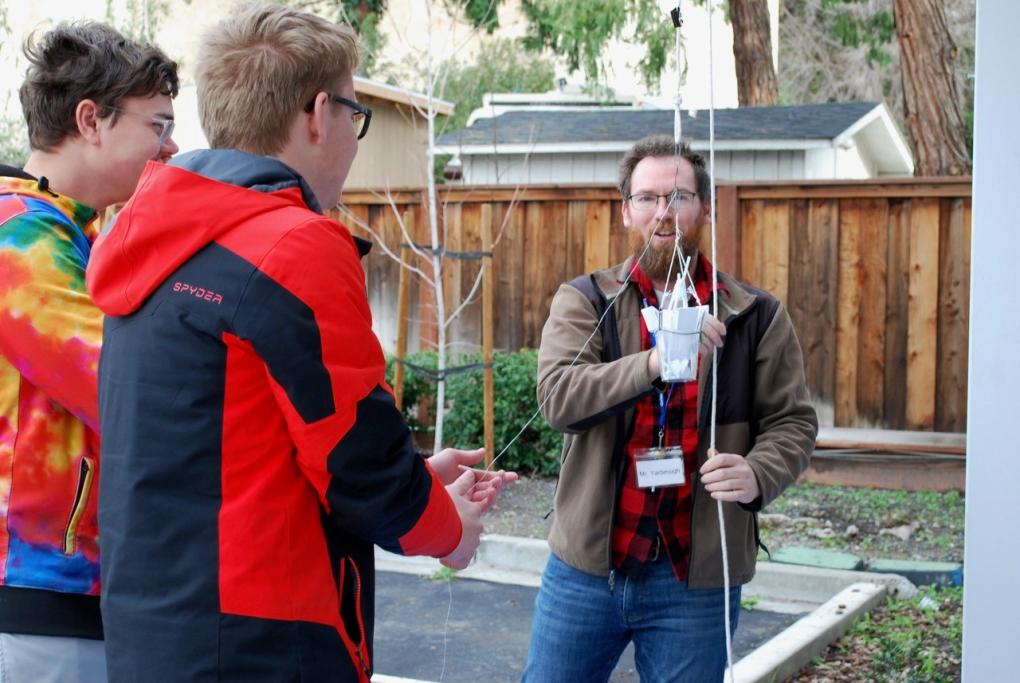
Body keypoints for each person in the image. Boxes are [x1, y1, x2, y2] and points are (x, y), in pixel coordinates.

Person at [85, 4, 513, 681]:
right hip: (262, 642)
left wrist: (418, 481)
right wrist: (448, 529)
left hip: (157, 632)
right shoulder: (290, 244)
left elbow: (226, 453)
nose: (352, 135)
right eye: (354, 113)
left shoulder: (146, 239)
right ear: (319, 113)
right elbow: (357, 459)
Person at [522, 134, 818, 682]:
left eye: (678, 197)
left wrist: (758, 470)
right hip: (589, 570)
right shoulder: (586, 299)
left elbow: (793, 422)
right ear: (626, 211)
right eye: (648, 198)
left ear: (705, 207)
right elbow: (558, 399)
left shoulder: (754, 315)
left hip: (695, 579)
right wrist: (655, 363)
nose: (664, 213)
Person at [0, 21, 179, 682]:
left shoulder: (77, 231)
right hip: (39, 597)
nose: (173, 147)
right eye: (157, 125)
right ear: (91, 120)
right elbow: (126, 385)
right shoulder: (20, 236)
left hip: (74, 595)